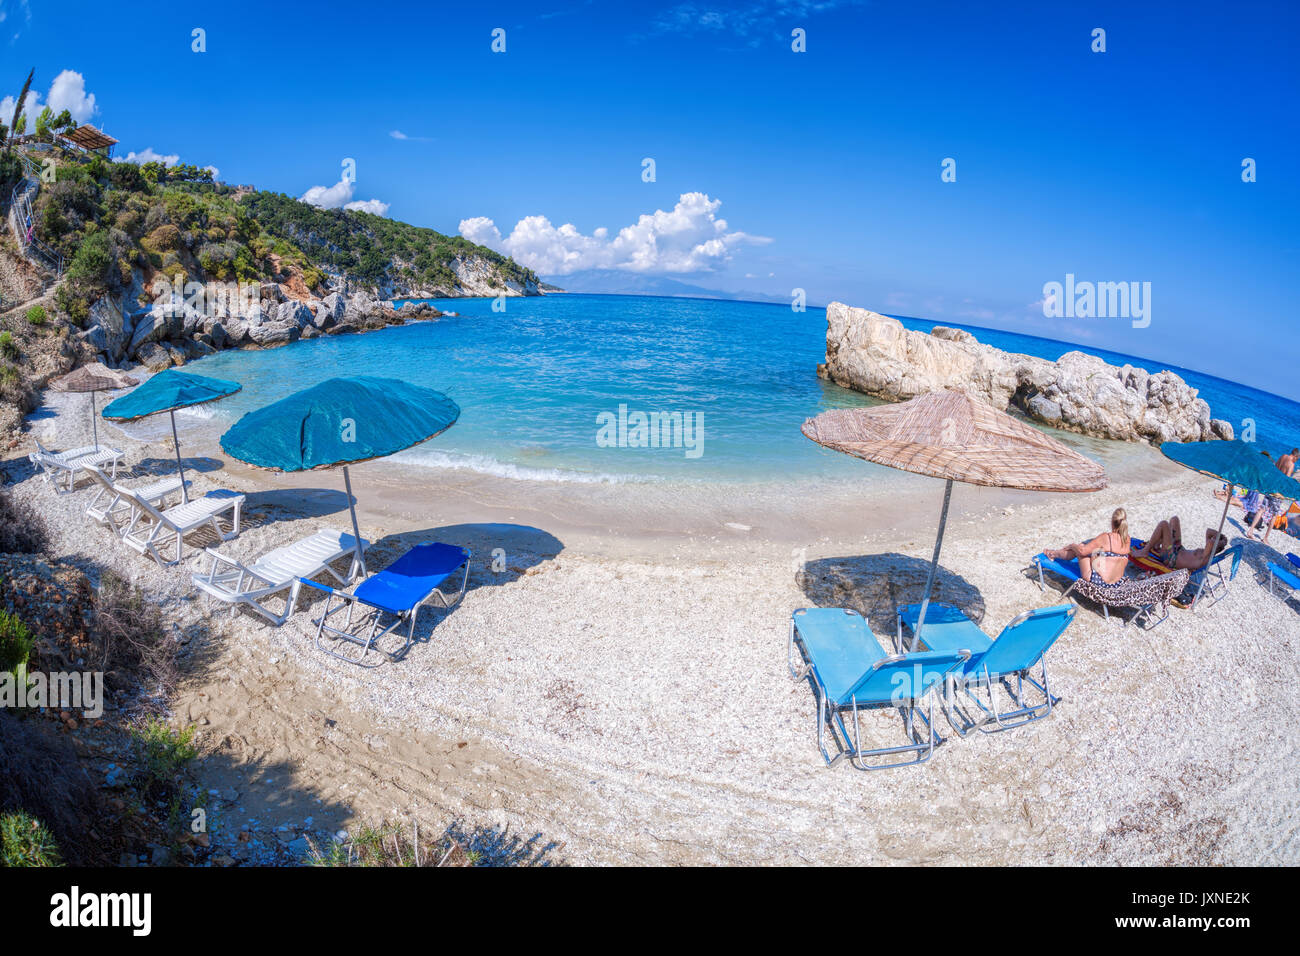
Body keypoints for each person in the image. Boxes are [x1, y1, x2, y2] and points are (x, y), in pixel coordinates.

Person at [1043, 508, 1130, 587]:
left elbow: (1082, 552)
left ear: (1112, 522)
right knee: (1093, 550)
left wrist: (1072, 546)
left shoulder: (1106, 537)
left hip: (1099, 582)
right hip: (1116, 583)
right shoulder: (1127, 539)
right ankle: (1054, 553)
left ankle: (1052, 554)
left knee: (1080, 548)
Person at [1132, 516, 1227, 571]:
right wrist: (1222, 536)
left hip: (1171, 558)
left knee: (1164, 524)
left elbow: (1210, 541)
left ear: (1216, 546)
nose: (1213, 538)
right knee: (1174, 519)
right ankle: (1157, 544)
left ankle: (1145, 550)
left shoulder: (1207, 557)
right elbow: (1209, 531)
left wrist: (1221, 542)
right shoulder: (1207, 550)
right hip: (1178, 548)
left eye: (1215, 539)